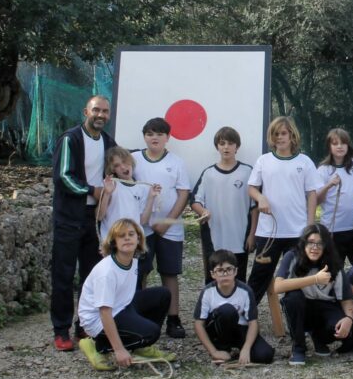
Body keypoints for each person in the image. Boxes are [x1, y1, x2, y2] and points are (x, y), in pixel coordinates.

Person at [50, 94, 116, 352]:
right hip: (69, 217)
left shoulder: (108, 142)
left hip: (96, 219)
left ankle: (84, 325)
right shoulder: (71, 139)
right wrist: (92, 190)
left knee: (91, 275)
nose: (101, 115)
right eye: (96, 110)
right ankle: (61, 329)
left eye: (105, 112)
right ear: (85, 112)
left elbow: (117, 170)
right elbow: (63, 176)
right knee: (64, 274)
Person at [246, 116, 323, 312]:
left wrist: (310, 225)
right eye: (275, 134)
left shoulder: (304, 162)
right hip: (268, 232)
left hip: (297, 231)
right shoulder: (264, 160)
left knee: (298, 277)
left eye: (283, 133)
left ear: (292, 136)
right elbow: (252, 188)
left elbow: (312, 194)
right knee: (259, 277)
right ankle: (245, 318)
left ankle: (297, 317)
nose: (279, 138)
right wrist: (261, 198)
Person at [76, 219, 174, 370]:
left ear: (139, 238)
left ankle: (141, 345)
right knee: (151, 333)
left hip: (121, 306)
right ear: (114, 242)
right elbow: (104, 312)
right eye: (121, 236)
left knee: (163, 295)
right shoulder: (107, 272)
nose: (127, 238)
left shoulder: (132, 260)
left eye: (131, 234)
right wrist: (119, 349)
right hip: (98, 320)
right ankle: (98, 345)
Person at [131, 117, 191, 339]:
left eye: (159, 134)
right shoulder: (134, 159)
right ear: (144, 136)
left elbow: (183, 193)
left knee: (170, 272)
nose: (154, 138)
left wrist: (167, 221)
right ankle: (139, 315)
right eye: (149, 133)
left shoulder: (176, 162)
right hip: (141, 227)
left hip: (169, 228)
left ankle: (173, 319)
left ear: (168, 137)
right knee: (141, 271)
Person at [274, 224, 353, 365]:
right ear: (303, 242)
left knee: (341, 328)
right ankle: (298, 348)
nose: (315, 247)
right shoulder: (292, 256)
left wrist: (349, 318)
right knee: (292, 299)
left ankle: (319, 338)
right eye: (311, 242)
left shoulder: (334, 263)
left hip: (325, 306)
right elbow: (278, 286)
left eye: (320, 243)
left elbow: (346, 299)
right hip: (301, 305)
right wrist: (315, 279)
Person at [190, 126, 257, 285]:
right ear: (217, 147)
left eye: (230, 143)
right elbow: (194, 201)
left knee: (239, 280)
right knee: (212, 279)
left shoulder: (247, 172)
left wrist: (252, 234)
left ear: (237, 147)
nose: (226, 147)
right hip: (214, 238)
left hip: (240, 238)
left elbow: (254, 207)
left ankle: (238, 309)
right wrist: (203, 211)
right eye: (222, 143)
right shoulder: (208, 174)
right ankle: (213, 308)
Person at [193, 250, 275, 365]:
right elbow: (198, 324)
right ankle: (223, 349)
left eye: (229, 269)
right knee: (227, 310)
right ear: (212, 274)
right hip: (218, 330)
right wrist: (213, 351)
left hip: (240, 329)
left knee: (265, 355)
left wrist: (246, 348)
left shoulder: (245, 291)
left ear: (235, 271)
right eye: (220, 270)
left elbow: (253, 322)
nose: (225, 274)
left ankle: (239, 350)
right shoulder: (208, 292)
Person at [315, 128, 353, 266]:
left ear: (348, 146)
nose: (339, 146)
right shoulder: (323, 170)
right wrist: (329, 185)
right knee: (333, 270)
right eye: (335, 143)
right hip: (332, 230)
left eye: (343, 143)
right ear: (329, 146)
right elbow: (316, 200)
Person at [96, 147, 159, 243]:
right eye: (117, 165)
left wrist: (151, 197)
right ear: (113, 169)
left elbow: (143, 221)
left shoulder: (141, 187)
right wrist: (107, 194)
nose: (123, 167)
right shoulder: (110, 184)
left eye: (125, 161)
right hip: (112, 241)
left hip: (133, 242)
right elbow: (99, 216)